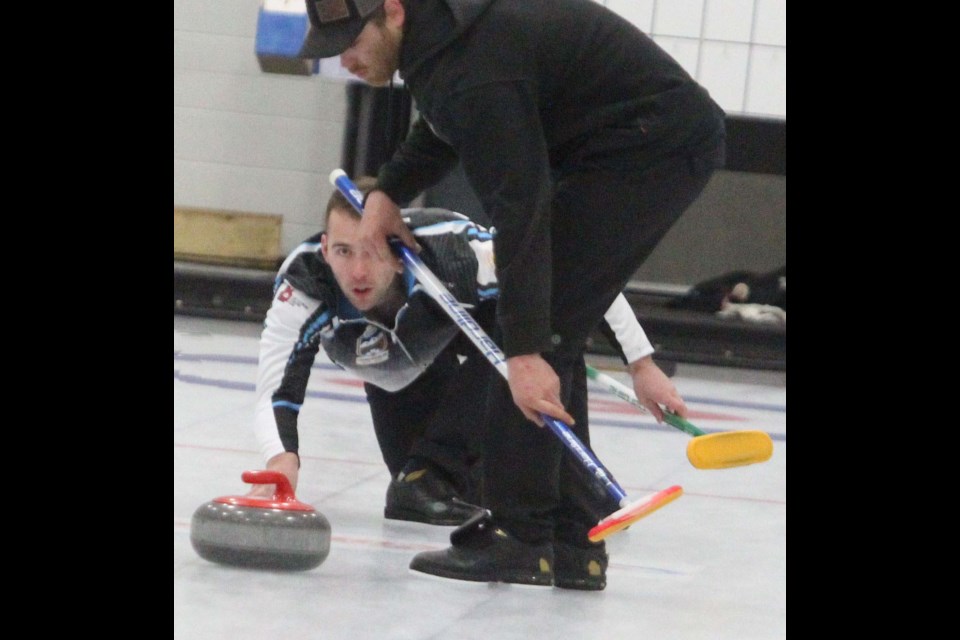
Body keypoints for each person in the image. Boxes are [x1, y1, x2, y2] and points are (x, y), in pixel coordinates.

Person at [299, 0, 724, 590]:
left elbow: (520, 205)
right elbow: (449, 121)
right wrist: (389, 189)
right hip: (633, 144)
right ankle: (572, 544)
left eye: (351, 41)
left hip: (650, 148)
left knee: (536, 332)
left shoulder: (472, 61)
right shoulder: (444, 42)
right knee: (550, 329)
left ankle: (523, 538)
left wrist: (523, 352)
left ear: (391, 12)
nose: (344, 59)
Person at [252, 174, 684, 581]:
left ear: (400, 248)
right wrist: (281, 457)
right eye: (344, 252)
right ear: (326, 250)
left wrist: (640, 363)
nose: (358, 273)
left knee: (545, 336)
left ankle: (573, 502)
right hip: (396, 377)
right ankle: (442, 477)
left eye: (372, 251)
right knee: (420, 494)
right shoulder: (304, 283)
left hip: (474, 341)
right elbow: (276, 386)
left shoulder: (458, 253)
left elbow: (575, 275)